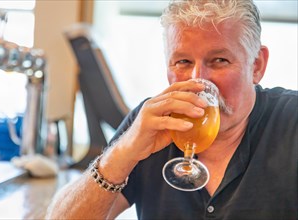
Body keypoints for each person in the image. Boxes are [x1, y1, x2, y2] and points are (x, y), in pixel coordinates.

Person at [46, 0, 297, 219]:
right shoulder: (148, 123)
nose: (198, 81)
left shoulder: (291, 121)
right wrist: (123, 154)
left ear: (257, 65)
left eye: (219, 60)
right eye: (183, 62)